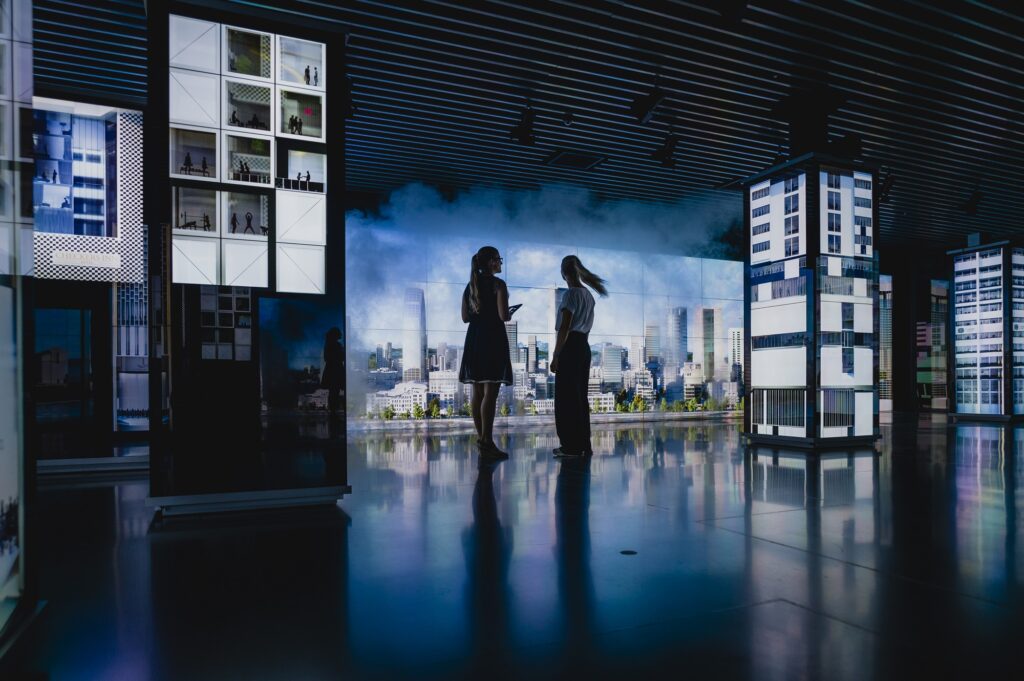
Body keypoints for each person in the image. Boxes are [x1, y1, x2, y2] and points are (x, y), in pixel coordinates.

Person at [550, 255, 607, 457]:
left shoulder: (570, 295)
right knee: (580, 397)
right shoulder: (589, 296)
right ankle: (584, 445)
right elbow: (586, 327)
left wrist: (556, 355)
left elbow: (564, 327)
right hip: (584, 346)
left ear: (564, 273)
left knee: (565, 398)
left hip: (570, 346)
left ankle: (570, 446)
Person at [459, 246, 513, 458]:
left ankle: (483, 440)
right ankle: (487, 441)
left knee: (477, 392)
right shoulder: (498, 285)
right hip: (492, 339)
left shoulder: (470, 286)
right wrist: (508, 312)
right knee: (491, 392)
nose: (500, 263)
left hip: (474, 339)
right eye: (498, 259)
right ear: (491, 262)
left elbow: (465, 318)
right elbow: (503, 316)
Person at [321, 327, 343, 415]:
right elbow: (338, 357)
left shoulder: (329, 344)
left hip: (332, 371)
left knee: (333, 391)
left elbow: (327, 358)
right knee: (334, 391)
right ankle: (333, 410)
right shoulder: (334, 345)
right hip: (335, 371)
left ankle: (333, 410)